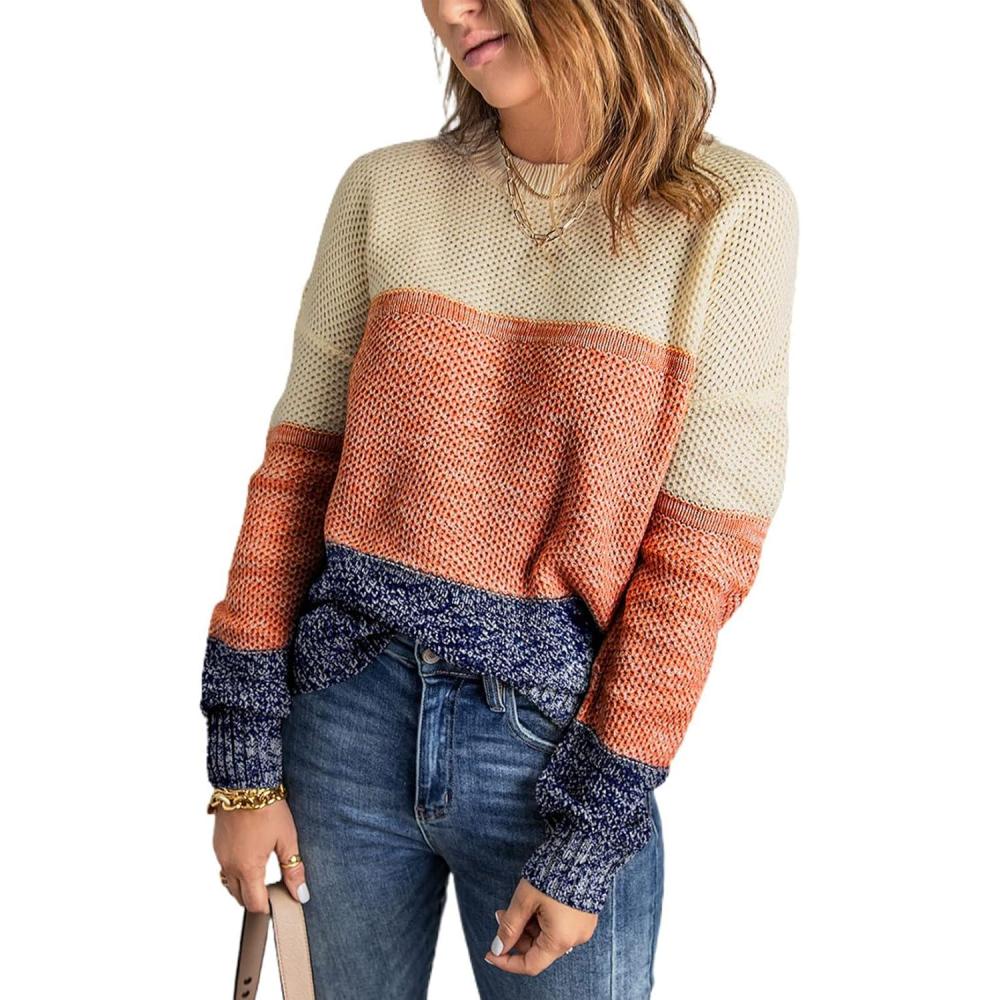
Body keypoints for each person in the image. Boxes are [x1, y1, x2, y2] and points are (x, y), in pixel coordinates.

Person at [201, 0, 799, 996]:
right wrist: (244, 768)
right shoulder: (387, 189)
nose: (450, 10)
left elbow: (698, 559)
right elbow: (294, 479)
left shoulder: (728, 211)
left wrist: (590, 833)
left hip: (551, 754)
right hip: (344, 722)